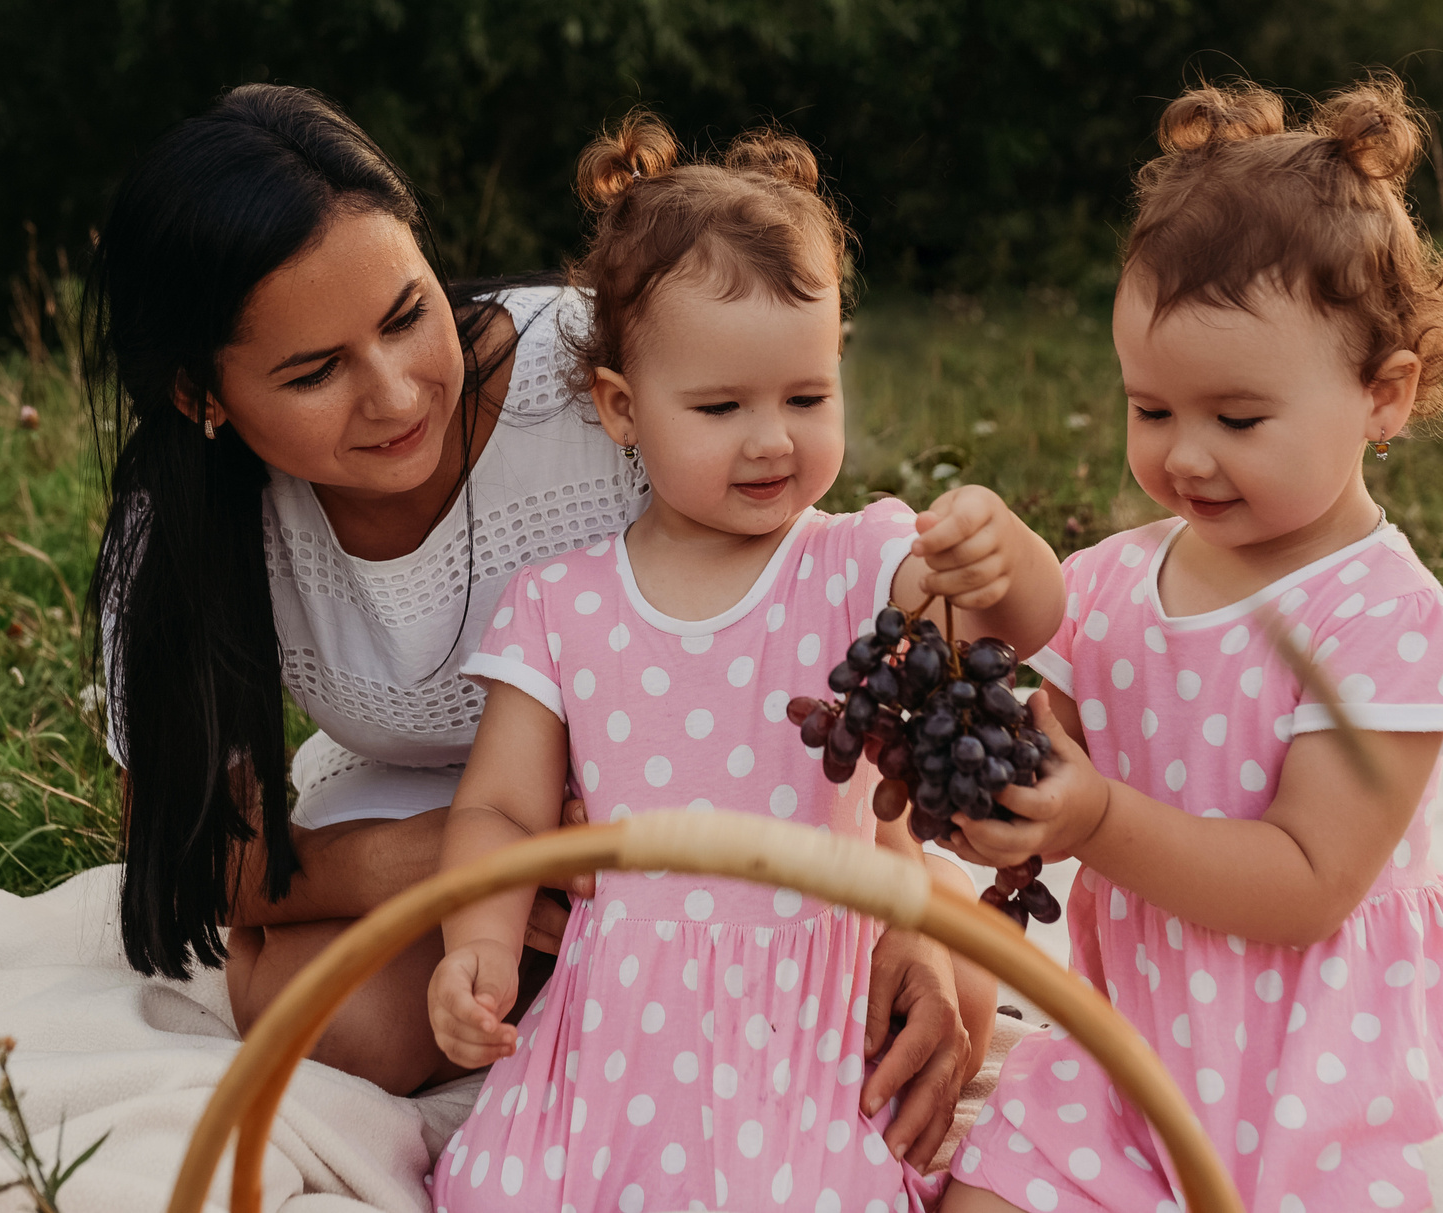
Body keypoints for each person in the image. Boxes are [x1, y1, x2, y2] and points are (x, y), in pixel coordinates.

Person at [84, 85, 992, 1148]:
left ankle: (624, 969)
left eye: (405, 314)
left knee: (940, 1000)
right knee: (351, 1026)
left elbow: (817, 626)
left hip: (712, 771)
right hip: (431, 809)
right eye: (315, 370)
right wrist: (448, 858)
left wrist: (903, 905)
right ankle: (576, 974)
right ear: (203, 395)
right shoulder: (183, 533)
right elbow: (202, 857)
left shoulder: (592, 375)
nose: (394, 393)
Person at [422, 115, 1067, 1211]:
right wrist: (475, 942)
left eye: (806, 397)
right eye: (721, 407)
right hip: (621, 1012)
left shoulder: (862, 560)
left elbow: (1021, 623)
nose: (772, 439)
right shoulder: (564, 602)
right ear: (622, 407)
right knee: (511, 1190)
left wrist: (997, 552)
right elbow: (499, 809)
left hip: (807, 1003)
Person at [938, 77, 1443, 1213]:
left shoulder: (1382, 623)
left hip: (1316, 1074)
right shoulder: (1109, 583)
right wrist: (998, 772)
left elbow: (1307, 883)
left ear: (1384, 393)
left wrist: (1098, 817)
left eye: (1238, 418)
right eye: (1151, 410)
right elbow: (1041, 775)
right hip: (1129, 1055)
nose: (1186, 457)